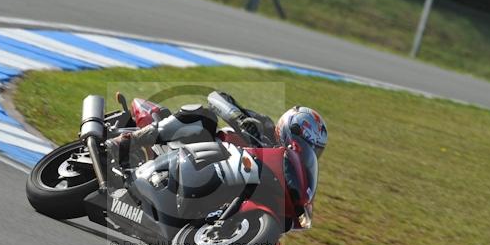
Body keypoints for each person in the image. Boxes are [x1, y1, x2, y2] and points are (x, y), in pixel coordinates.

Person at [104, 91, 327, 164]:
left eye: (313, 151)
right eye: (305, 145)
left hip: (209, 176)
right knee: (205, 117)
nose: (307, 153)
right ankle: (127, 141)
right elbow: (216, 97)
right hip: (193, 147)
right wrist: (242, 120)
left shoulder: (284, 169)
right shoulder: (264, 125)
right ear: (290, 131)